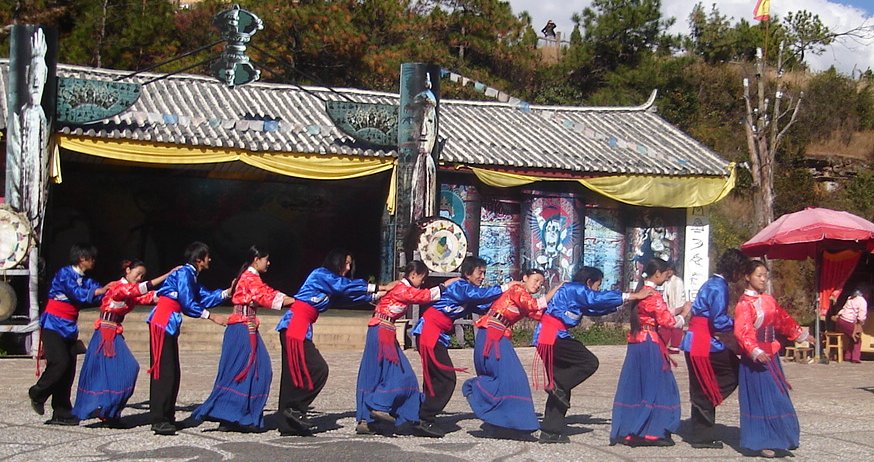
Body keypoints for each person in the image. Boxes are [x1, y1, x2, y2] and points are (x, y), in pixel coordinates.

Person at [276, 248, 395, 436]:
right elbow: (343, 286)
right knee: (318, 369)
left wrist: (376, 296)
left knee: (293, 374)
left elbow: (347, 296)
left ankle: (288, 423)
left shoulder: (332, 285)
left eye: (350, 264)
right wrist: (380, 287)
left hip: (300, 326)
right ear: (336, 262)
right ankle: (295, 409)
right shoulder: (321, 275)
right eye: (345, 263)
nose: (348, 268)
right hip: (294, 324)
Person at [533, 266, 652, 444]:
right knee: (588, 363)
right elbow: (594, 298)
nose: (597, 289)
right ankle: (555, 385)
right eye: (597, 285)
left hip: (548, 337)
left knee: (562, 384)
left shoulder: (575, 293)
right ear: (589, 282)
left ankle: (550, 431)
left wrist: (621, 302)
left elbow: (594, 307)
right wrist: (632, 296)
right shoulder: (575, 288)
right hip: (553, 336)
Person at [411, 256, 517, 438]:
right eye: (479, 272)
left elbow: (486, 303)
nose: (482, 276)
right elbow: (480, 296)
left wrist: (514, 299)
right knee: (446, 378)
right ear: (468, 273)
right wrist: (507, 287)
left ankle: (420, 414)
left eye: (484, 273)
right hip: (430, 332)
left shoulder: (470, 291)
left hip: (436, 334)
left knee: (436, 377)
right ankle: (424, 417)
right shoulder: (460, 286)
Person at [193, 246, 295, 432]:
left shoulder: (247, 277)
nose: (268, 263)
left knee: (248, 369)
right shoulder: (250, 278)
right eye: (266, 259)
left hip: (242, 327)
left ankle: (233, 415)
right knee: (258, 369)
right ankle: (236, 416)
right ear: (256, 259)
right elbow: (266, 295)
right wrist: (296, 301)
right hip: (243, 328)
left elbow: (266, 293)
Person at [355, 260, 456, 436]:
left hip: (378, 328)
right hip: (383, 331)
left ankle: (366, 420)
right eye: (422, 278)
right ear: (413, 275)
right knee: (404, 375)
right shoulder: (402, 289)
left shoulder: (397, 287)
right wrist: (446, 285)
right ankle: (380, 405)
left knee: (374, 374)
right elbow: (423, 296)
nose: (422, 282)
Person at [72, 259, 175, 426]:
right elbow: (137, 290)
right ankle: (105, 411)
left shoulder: (131, 291)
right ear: (127, 270)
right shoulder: (117, 287)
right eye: (138, 274)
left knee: (120, 372)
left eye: (142, 276)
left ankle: (110, 413)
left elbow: (149, 296)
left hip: (113, 333)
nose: (140, 277)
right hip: (105, 334)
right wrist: (167, 275)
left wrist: (173, 290)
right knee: (125, 369)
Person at [463, 268, 559, 437]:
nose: (538, 285)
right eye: (535, 280)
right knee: (514, 378)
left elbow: (537, 312)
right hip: (492, 334)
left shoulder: (523, 296)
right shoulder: (517, 290)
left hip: (497, 335)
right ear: (525, 278)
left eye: (541, 284)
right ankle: (476, 390)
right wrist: (554, 291)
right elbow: (534, 305)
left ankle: (503, 422)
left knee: (508, 379)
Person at [147, 241, 229, 436]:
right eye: (207, 256)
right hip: (162, 321)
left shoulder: (191, 275)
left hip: (170, 322)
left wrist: (227, 292)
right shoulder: (184, 273)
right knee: (163, 371)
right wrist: (211, 316)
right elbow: (188, 302)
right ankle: (159, 418)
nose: (210, 260)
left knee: (172, 371)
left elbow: (203, 297)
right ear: (199, 259)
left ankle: (167, 415)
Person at [610, 259, 689, 447]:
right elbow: (667, 321)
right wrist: (684, 314)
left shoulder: (641, 293)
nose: (667, 277)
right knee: (659, 386)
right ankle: (650, 431)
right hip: (649, 343)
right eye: (665, 274)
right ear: (658, 274)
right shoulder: (653, 296)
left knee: (636, 384)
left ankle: (628, 427)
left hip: (637, 342)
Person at [735, 260, 808, 458]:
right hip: (755, 358)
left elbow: (782, 319)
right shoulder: (744, 304)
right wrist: (755, 351)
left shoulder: (768, 299)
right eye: (759, 275)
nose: (763, 279)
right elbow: (743, 332)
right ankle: (762, 440)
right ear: (747, 277)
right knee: (760, 398)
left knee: (778, 396)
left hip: (772, 354)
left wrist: (800, 334)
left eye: (765, 276)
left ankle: (782, 436)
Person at [29, 243, 108, 425]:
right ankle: (38, 392)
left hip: (69, 325)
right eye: (91, 258)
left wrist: (112, 291)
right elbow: (77, 294)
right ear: (82, 259)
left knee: (69, 369)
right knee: (59, 361)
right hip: (53, 323)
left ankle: (62, 411)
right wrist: (99, 291)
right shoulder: (65, 274)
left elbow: (98, 294)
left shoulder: (87, 280)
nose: (93, 262)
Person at [680, 248, 748, 449]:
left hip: (693, 338)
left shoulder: (710, 282)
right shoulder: (720, 287)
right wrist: (739, 324)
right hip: (704, 341)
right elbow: (718, 321)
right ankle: (706, 410)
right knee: (734, 371)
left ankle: (701, 430)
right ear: (733, 269)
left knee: (700, 384)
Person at [659, 260, 689, 353]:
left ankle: (675, 346)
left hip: (677, 306)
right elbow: (664, 296)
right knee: (666, 327)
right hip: (669, 307)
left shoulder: (678, 281)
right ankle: (663, 344)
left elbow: (679, 297)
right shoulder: (666, 282)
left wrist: (676, 310)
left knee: (676, 326)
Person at [832, 288, 868, 363]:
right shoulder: (862, 301)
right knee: (857, 338)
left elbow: (844, 309)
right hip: (848, 321)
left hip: (840, 321)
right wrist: (860, 323)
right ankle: (855, 358)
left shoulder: (850, 298)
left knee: (851, 337)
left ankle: (848, 356)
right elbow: (862, 314)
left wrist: (838, 315)